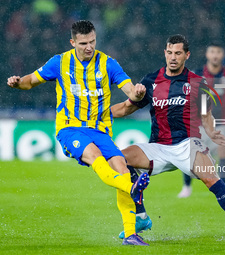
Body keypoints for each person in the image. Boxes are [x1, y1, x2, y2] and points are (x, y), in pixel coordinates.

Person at [7, 20, 150, 246]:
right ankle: (129, 187)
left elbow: (129, 88)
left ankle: (130, 234)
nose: (89, 47)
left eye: (92, 41)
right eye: (83, 43)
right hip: (70, 128)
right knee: (95, 156)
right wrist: (17, 83)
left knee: (121, 166)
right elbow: (30, 81)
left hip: (100, 130)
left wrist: (138, 93)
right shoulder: (60, 62)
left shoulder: (108, 64)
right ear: (73, 42)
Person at [110, 34, 225, 243]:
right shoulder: (151, 80)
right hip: (158, 146)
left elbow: (206, 116)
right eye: (169, 52)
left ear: (187, 55)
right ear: (165, 53)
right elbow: (125, 108)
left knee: (211, 180)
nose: (173, 57)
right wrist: (97, 114)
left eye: (178, 53)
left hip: (186, 143)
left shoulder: (197, 83)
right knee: (119, 159)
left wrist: (212, 132)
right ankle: (141, 217)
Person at [178, 42, 225, 198]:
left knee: (223, 150)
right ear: (207, 54)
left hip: (221, 122)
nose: (215, 55)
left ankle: (223, 190)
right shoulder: (197, 74)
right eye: (212, 51)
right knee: (188, 155)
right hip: (198, 123)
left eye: (218, 52)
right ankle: (187, 187)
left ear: (222, 55)